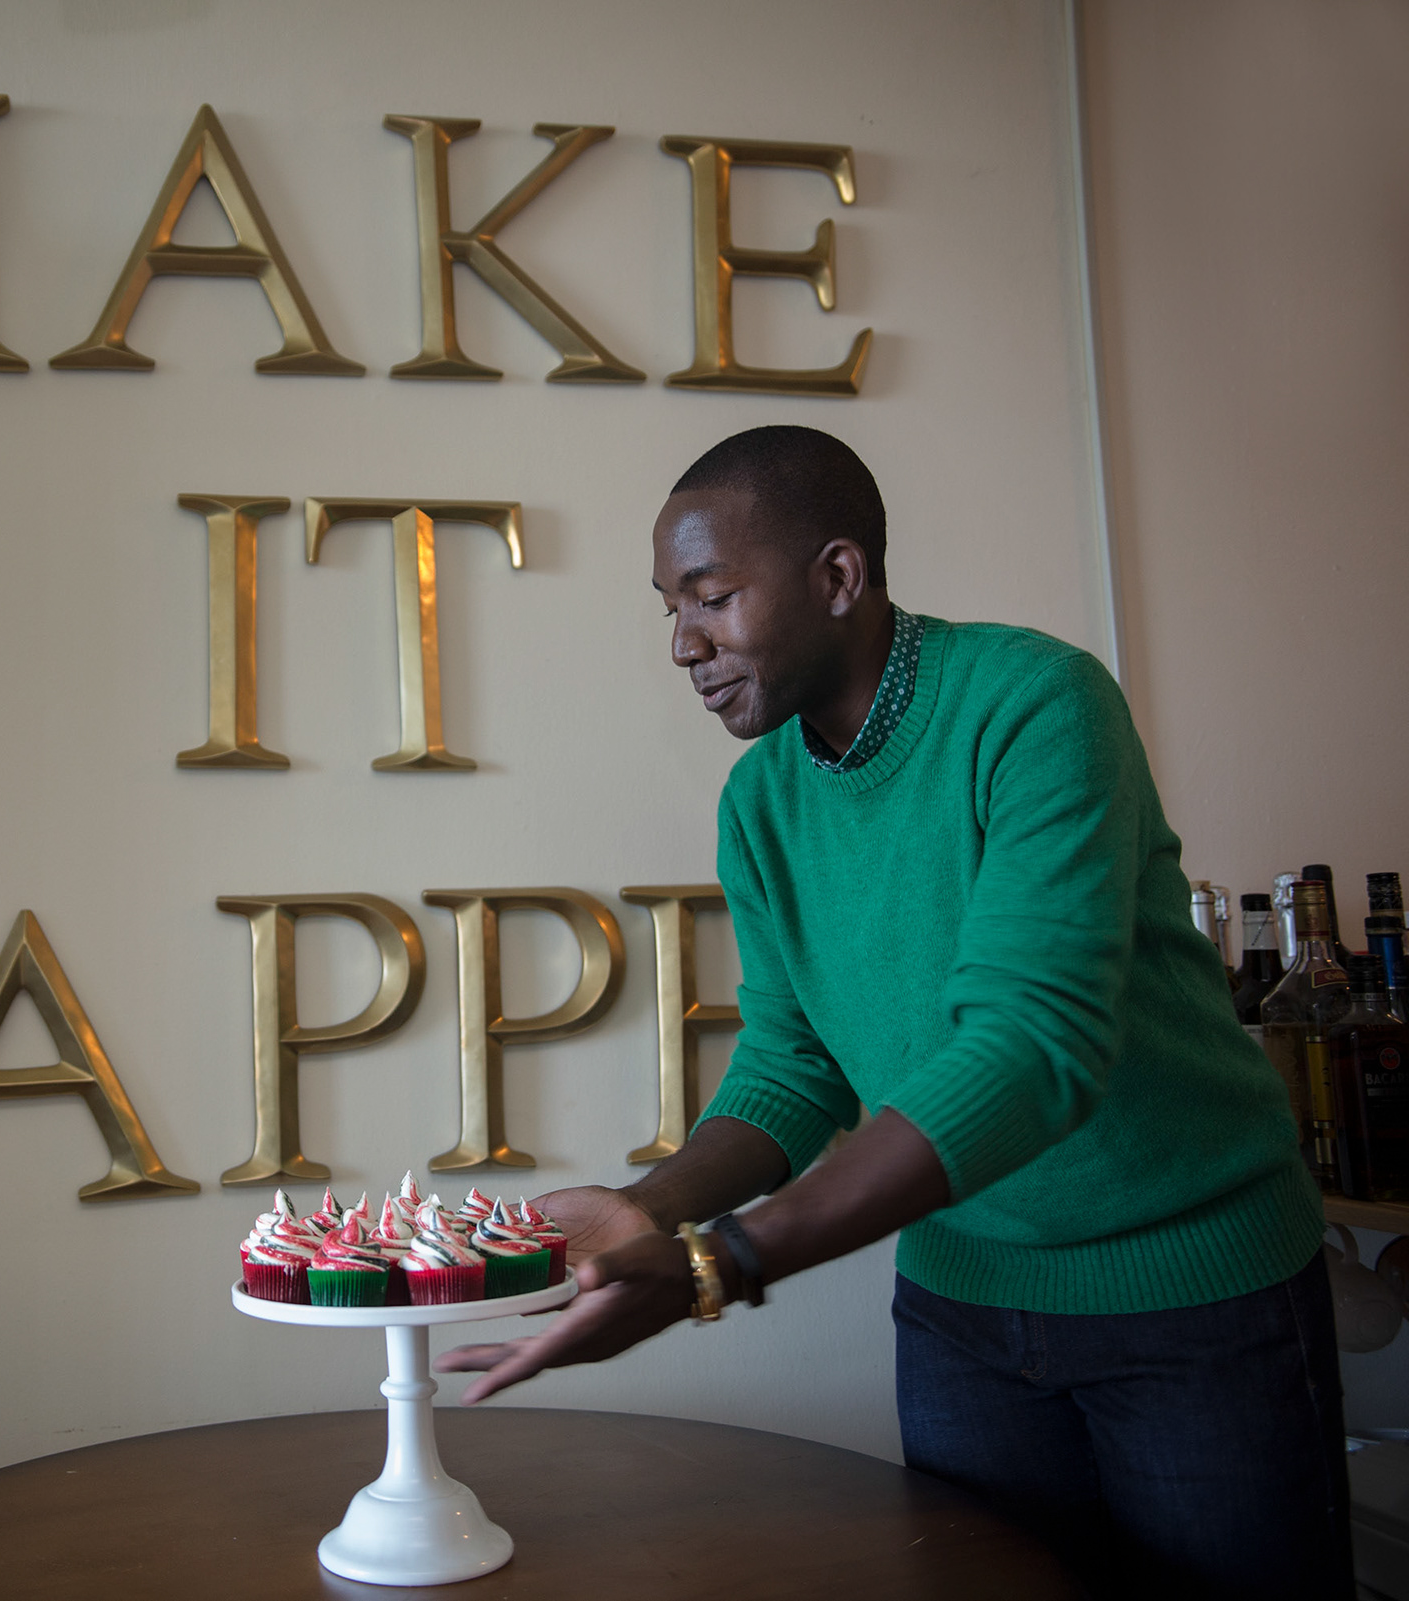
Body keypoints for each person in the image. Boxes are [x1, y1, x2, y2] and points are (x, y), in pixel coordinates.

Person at [439, 426, 1351, 1599]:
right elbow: (795, 1064)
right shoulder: (761, 800)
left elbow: (1032, 1046)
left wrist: (720, 1261)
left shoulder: (1036, 703)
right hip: (961, 1312)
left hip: (1193, 1297)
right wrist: (649, 1207)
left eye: (711, 597)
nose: (683, 643)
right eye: (669, 609)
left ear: (837, 575)